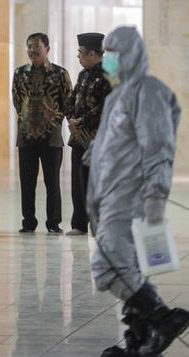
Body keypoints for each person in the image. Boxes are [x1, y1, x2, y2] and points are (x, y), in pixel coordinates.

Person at [86, 26, 189, 357]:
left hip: (131, 194)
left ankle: (162, 317)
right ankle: (142, 339)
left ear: (129, 54)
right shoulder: (119, 95)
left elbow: (158, 145)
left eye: (113, 54)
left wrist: (155, 195)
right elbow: (111, 145)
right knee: (127, 265)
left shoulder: (148, 91)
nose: (108, 61)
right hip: (110, 195)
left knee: (107, 264)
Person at [12, 32, 72, 234]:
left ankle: (53, 223)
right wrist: (28, 120)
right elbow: (17, 101)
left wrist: (52, 120)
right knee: (27, 182)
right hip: (26, 136)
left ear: (47, 48)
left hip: (52, 137)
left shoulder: (60, 74)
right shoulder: (20, 73)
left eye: (36, 46)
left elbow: (68, 102)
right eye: (29, 46)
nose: (32, 50)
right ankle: (28, 222)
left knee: (52, 181)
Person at [65, 33, 112, 237]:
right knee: (79, 182)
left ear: (93, 53)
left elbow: (107, 106)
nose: (78, 56)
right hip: (79, 138)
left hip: (99, 139)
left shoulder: (110, 74)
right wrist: (70, 119)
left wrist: (81, 121)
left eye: (81, 53)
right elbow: (73, 98)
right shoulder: (84, 74)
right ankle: (80, 224)